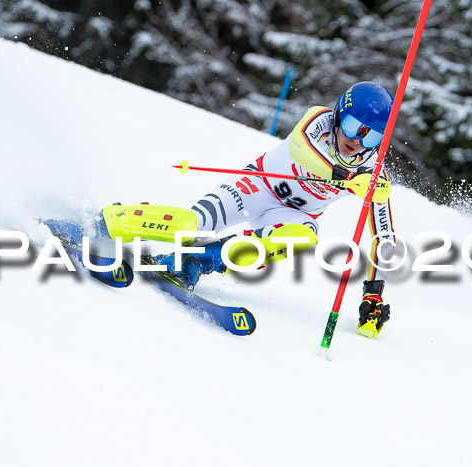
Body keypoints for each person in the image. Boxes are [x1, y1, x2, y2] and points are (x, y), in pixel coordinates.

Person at [98, 81, 397, 338]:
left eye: (371, 136)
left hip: (292, 215)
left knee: (305, 237)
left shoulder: (373, 170)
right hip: (257, 187)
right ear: (338, 115)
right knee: (194, 226)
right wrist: (346, 179)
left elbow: (384, 236)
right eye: (352, 127)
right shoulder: (319, 120)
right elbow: (299, 148)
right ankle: (114, 220)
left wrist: (374, 292)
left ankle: (195, 261)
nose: (357, 141)